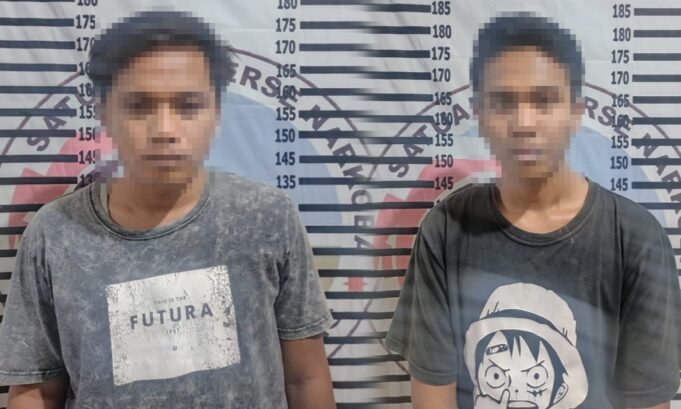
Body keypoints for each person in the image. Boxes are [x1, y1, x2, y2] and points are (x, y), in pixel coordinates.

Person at [0, 10, 335, 409]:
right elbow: (36, 389)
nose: (164, 130)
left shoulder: (267, 216)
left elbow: (305, 376)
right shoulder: (54, 234)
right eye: (138, 106)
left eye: (188, 106)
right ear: (104, 114)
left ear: (216, 113)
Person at [385, 12, 680, 409]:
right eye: (503, 102)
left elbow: (647, 402)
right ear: (479, 114)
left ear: (575, 112)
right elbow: (432, 397)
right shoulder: (446, 229)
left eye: (543, 101)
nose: (524, 123)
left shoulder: (635, 238)